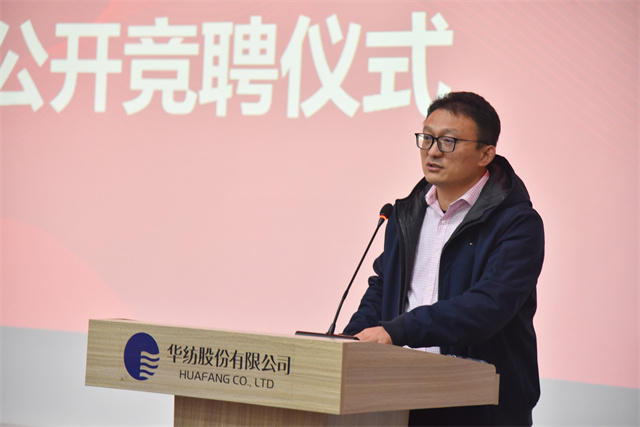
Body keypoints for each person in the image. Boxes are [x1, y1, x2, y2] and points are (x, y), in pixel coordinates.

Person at [343, 91, 544, 426]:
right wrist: (348, 343)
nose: (433, 151)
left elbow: (489, 306)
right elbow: (384, 288)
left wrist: (399, 330)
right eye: (427, 138)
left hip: (480, 406)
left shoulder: (517, 223)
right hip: (398, 396)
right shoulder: (405, 214)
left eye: (448, 141)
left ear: (486, 154)